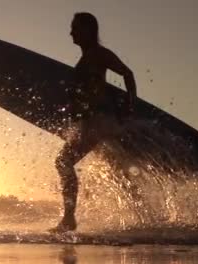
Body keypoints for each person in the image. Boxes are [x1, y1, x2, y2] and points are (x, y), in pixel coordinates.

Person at [54, 12, 137, 232]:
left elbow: (127, 73)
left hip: (100, 122)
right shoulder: (86, 58)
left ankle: (69, 219)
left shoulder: (99, 54)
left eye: (75, 27)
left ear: (89, 30)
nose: (71, 32)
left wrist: (131, 103)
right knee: (119, 171)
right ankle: (144, 216)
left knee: (63, 162)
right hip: (93, 122)